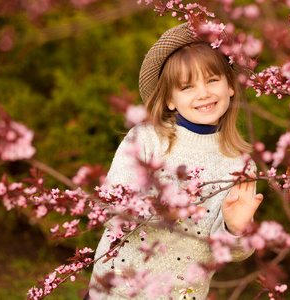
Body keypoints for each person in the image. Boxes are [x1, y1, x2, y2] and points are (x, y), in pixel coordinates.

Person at [88, 23, 263, 300]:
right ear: (170, 99)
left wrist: (236, 229)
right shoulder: (147, 139)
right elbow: (109, 210)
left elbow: (233, 251)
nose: (203, 93)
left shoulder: (240, 164)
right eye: (187, 86)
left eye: (212, 80)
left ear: (230, 85)